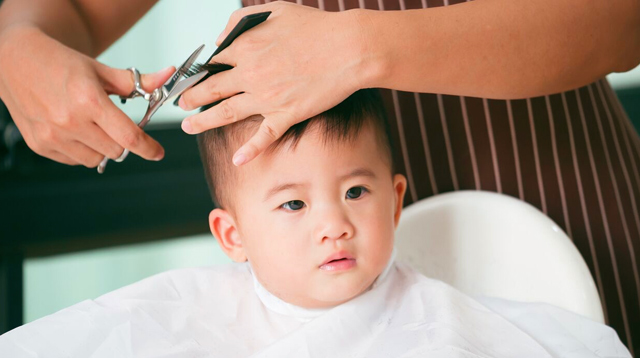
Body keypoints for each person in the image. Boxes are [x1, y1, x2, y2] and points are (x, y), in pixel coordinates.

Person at [0, 0, 639, 352]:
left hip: (547, 180)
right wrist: (16, 43)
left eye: (356, 197)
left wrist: (356, 46)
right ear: (230, 234)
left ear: (392, 198)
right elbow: (73, 10)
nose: (333, 225)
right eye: (294, 207)